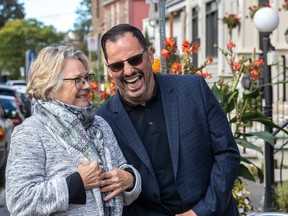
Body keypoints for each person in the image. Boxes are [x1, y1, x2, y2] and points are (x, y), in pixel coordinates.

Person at [96, 23, 241, 216]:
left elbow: (227, 154)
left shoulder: (193, 89)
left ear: (149, 55)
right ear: (108, 69)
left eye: (135, 59)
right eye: (117, 65)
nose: (128, 71)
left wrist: (200, 212)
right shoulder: (103, 120)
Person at [5, 45, 141, 216]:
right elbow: (20, 202)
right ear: (50, 87)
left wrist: (130, 179)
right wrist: (76, 183)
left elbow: (122, 169)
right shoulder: (30, 133)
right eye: (77, 80)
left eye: (86, 78)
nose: (87, 85)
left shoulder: (99, 124)